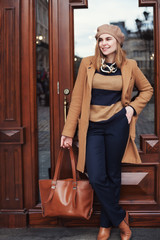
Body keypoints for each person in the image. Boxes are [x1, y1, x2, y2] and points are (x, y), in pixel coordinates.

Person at [60, 24, 153, 240]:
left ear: (118, 42)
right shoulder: (88, 64)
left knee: (112, 175)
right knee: (96, 176)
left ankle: (105, 224)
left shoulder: (129, 65)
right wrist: (67, 132)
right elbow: (76, 99)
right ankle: (121, 219)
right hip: (92, 128)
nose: (103, 43)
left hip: (117, 125)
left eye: (108, 39)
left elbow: (147, 89)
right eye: (100, 39)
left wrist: (131, 108)